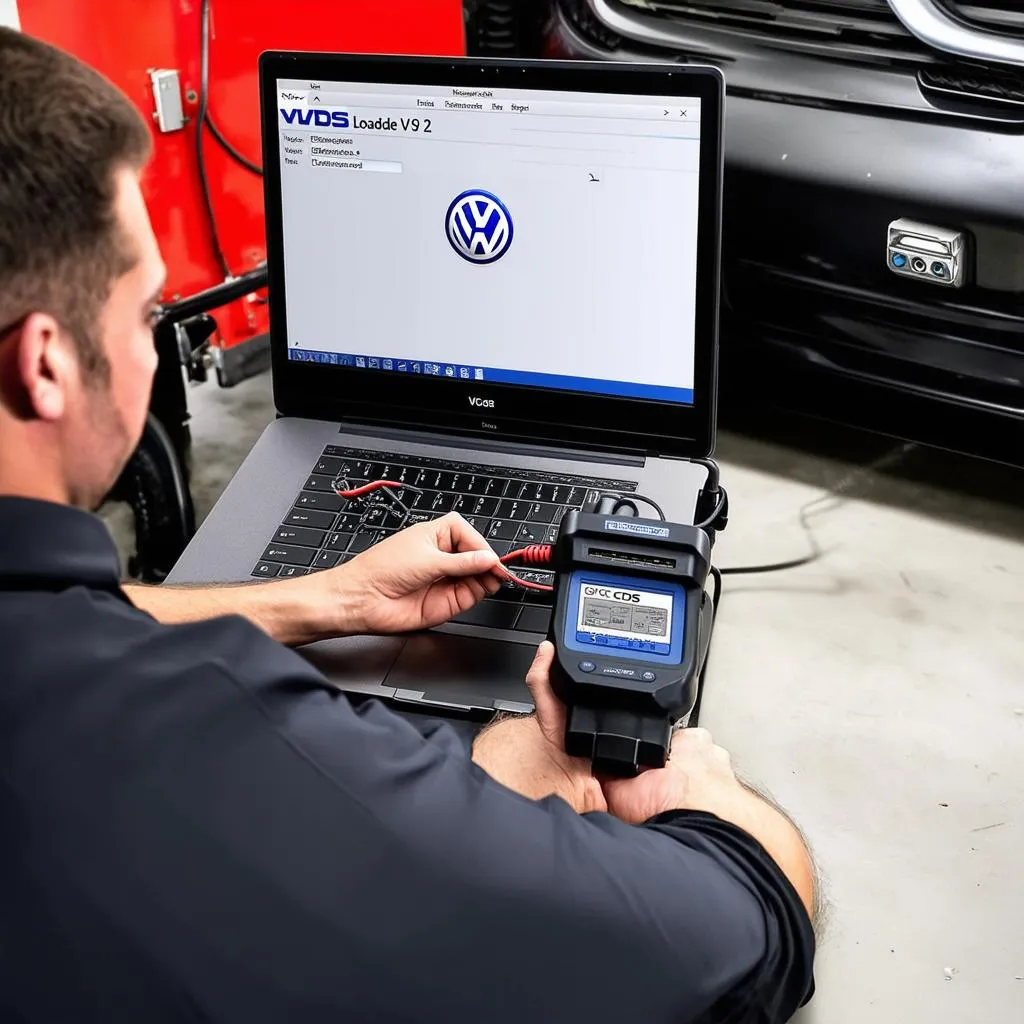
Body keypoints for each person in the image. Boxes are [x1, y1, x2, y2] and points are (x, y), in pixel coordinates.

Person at [0, 27, 817, 1023]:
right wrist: (683, 798)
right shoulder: (201, 743)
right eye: (147, 315)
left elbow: (62, 618)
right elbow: (731, 941)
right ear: (43, 364)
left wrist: (320, 598)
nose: (153, 344)